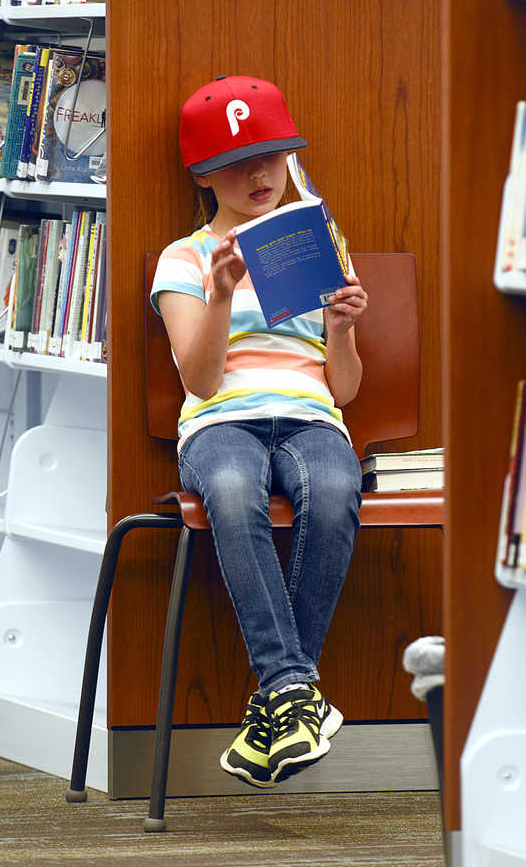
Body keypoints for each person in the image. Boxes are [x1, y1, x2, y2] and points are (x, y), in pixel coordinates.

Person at [150, 75, 368, 788]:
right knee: (234, 487)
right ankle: (292, 688)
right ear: (203, 174)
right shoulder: (183, 259)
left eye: (272, 158)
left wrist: (340, 331)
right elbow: (201, 381)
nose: (259, 175)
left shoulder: (317, 245)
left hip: (309, 413)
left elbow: (343, 390)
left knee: (337, 487)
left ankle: (275, 706)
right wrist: (218, 295)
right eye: (239, 163)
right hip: (220, 420)